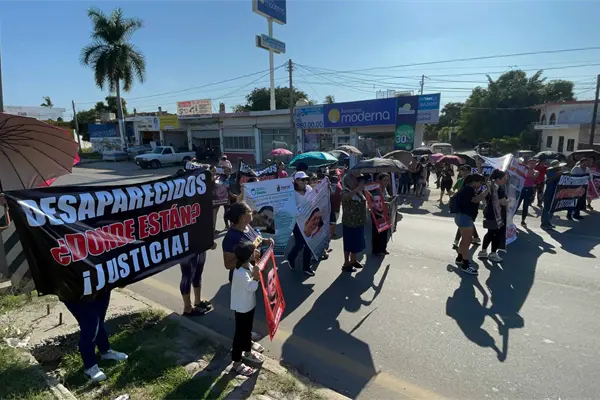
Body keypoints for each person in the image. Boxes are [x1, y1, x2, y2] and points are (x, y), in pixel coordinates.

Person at [63, 291, 128, 382]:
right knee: (90, 324)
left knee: (99, 319)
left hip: (101, 287)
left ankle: (105, 351)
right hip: (76, 290)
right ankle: (90, 366)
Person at [230, 240, 264, 376]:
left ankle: (248, 351)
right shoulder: (240, 273)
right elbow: (251, 288)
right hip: (242, 308)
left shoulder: (247, 265)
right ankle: (236, 362)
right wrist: (256, 276)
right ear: (248, 255)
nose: (256, 252)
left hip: (248, 305)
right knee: (240, 334)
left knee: (247, 330)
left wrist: (255, 264)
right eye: (254, 251)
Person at [222, 202, 273, 283]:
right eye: (249, 211)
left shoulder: (247, 226)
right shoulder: (231, 238)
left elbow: (255, 242)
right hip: (244, 279)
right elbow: (228, 264)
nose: (252, 211)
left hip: (255, 273)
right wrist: (249, 257)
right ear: (242, 217)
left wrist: (265, 241)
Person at [453, 174, 488, 275]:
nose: (480, 185)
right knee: (467, 241)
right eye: (479, 183)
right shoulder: (468, 190)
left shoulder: (467, 188)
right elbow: (476, 199)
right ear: (473, 182)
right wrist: (488, 190)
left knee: (465, 240)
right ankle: (465, 264)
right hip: (465, 217)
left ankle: (460, 258)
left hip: (463, 217)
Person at [287, 171, 316, 276]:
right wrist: (300, 211)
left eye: (306, 179)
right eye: (302, 180)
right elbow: (289, 208)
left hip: (309, 219)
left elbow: (314, 200)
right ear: (296, 181)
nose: (305, 181)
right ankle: (291, 257)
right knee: (300, 244)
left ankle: (306, 267)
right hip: (297, 222)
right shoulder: (291, 192)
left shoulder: (309, 188)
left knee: (309, 243)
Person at [478, 170, 509, 263]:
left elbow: (483, 198)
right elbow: (503, 202)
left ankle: (483, 251)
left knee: (490, 232)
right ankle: (493, 253)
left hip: (489, 212)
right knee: (497, 234)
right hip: (497, 214)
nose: (506, 180)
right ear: (498, 179)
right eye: (504, 178)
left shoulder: (489, 186)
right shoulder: (498, 189)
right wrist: (511, 201)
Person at [341, 171, 368, 272]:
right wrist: (357, 189)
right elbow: (346, 197)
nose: (358, 181)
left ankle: (353, 260)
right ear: (348, 181)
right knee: (349, 243)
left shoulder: (360, 192)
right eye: (355, 179)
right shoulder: (345, 191)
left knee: (356, 243)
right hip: (349, 223)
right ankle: (346, 263)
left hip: (359, 222)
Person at [180, 247, 216, 317]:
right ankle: (187, 308)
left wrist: (209, 242)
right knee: (187, 275)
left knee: (198, 272)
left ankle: (197, 301)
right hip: (188, 248)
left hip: (200, 245)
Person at [452, 166, 481, 249]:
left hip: (468, 208)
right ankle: (458, 241)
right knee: (465, 224)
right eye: (462, 170)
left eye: (465, 170)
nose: (463, 172)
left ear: (469, 171)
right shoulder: (460, 180)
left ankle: (474, 238)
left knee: (466, 223)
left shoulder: (472, 181)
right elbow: (455, 189)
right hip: (462, 207)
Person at [541, 160, 565, 229]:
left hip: (554, 193)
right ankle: (544, 224)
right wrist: (556, 176)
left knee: (551, 208)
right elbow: (548, 181)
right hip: (549, 192)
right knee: (547, 208)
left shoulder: (556, 172)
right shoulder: (550, 172)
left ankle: (548, 222)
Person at [371, 173, 391, 255]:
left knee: (384, 231)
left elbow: (387, 197)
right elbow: (375, 200)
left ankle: (383, 249)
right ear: (379, 181)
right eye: (385, 180)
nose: (386, 182)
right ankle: (376, 250)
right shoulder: (375, 189)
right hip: (377, 213)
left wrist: (391, 198)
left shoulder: (384, 188)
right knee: (377, 232)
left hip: (384, 212)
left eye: (387, 180)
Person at [517, 160, 539, 227]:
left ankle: (523, 221)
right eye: (531, 163)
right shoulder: (524, 169)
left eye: (534, 164)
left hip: (529, 189)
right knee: (516, 205)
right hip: (521, 189)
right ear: (528, 163)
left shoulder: (536, 171)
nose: (532, 165)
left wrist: (527, 170)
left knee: (525, 206)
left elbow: (533, 178)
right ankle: (510, 219)